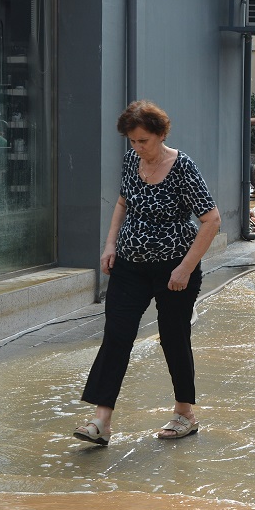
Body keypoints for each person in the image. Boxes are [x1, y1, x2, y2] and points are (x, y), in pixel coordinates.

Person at [73, 100, 222, 446]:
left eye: (144, 141)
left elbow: (211, 220)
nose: (138, 148)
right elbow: (123, 202)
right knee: (117, 336)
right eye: (133, 142)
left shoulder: (182, 167)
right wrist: (110, 245)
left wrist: (185, 268)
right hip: (130, 265)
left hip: (174, 268)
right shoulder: (131, 161)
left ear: (161, 134)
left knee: (173, 337)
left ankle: (184, 413)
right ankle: (101, 421)